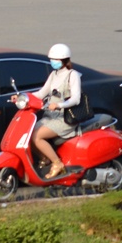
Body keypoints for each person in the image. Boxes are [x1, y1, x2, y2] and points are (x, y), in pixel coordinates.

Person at [30, 44, 86, 179]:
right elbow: (41, 93)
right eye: (51, 59)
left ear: (64, 60)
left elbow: (76, 99)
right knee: (28, 134)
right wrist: (23, 97)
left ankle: (57, 163)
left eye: (56, 60)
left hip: (65, 118)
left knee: (37, 136)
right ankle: (46, 158)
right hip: (51, 116)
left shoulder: (72, 75)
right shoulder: (53, 74)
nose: (53, 62)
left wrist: (59, 105)